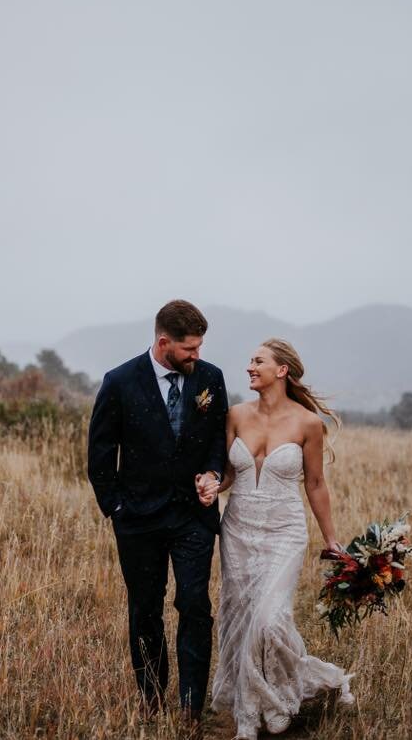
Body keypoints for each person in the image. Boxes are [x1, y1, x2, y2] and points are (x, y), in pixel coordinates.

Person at [86, 300, 229, 728]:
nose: (196, 356)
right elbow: (100, 451)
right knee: (145, 609)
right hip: (138, 520)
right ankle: (150, 697)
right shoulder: (120, 381)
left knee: (194, 605)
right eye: (188, 349)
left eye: (200, 347)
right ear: (163, 342)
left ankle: (189, 706)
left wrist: (214, 472)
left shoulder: (211, 379)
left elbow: (217, 440)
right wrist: (115, 507)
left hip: (193, 516)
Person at [209, 338, 353, 740]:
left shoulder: (307, 424)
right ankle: (246, 716)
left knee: (271, 619)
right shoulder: (235, 414)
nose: (249, 367)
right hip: (237, 529)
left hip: (284, 533)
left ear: (282, 370)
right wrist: (210, 484)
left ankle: (290, 691)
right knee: (240, 620)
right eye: (250, 361)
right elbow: (228, 474)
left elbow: (316, 483)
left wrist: (332, 539)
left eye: (258, 362)